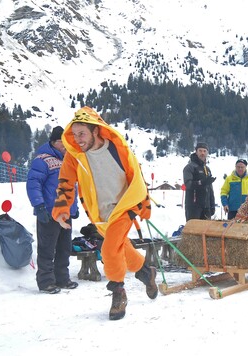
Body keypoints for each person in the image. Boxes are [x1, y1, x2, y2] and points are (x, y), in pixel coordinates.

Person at [51, 107, 158, 321]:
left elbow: (135, 175)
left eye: (82, 133)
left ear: (95, 131)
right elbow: (65, 182)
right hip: (100, 214)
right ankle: (147, 273)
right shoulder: (75, 156)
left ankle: (118, 293)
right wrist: (62, 209)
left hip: (124, 207)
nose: (77, 139)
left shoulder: (117, 149)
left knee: (109, 249)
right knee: (121, 248)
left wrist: (144, 203)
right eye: (74, 134)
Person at [27, 126, 79, 294]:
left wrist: (74, 208)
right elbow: (33, 183)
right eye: (61, 142)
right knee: (47, 248)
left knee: (64, 247)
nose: (65, 145)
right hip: (49, 212)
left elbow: (73, 186)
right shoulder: (42, 160)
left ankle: (62, 278)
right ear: (53, 142)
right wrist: (39, 205)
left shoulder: (68, 160)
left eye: (66, 142)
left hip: (65, 213)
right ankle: (46, 281)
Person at [183, 142, 216, 221]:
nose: (202, 153)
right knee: (192, 232)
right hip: (193, 206)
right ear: (196, 152)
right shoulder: (190, 167)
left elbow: (210, 189)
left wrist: (212, 204)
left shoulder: (207, 169)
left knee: (206, 232)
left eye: (204, 151)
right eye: (200, 151)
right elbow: (188, 184)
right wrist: (202, 182)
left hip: (206, 207)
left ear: (207, 153)